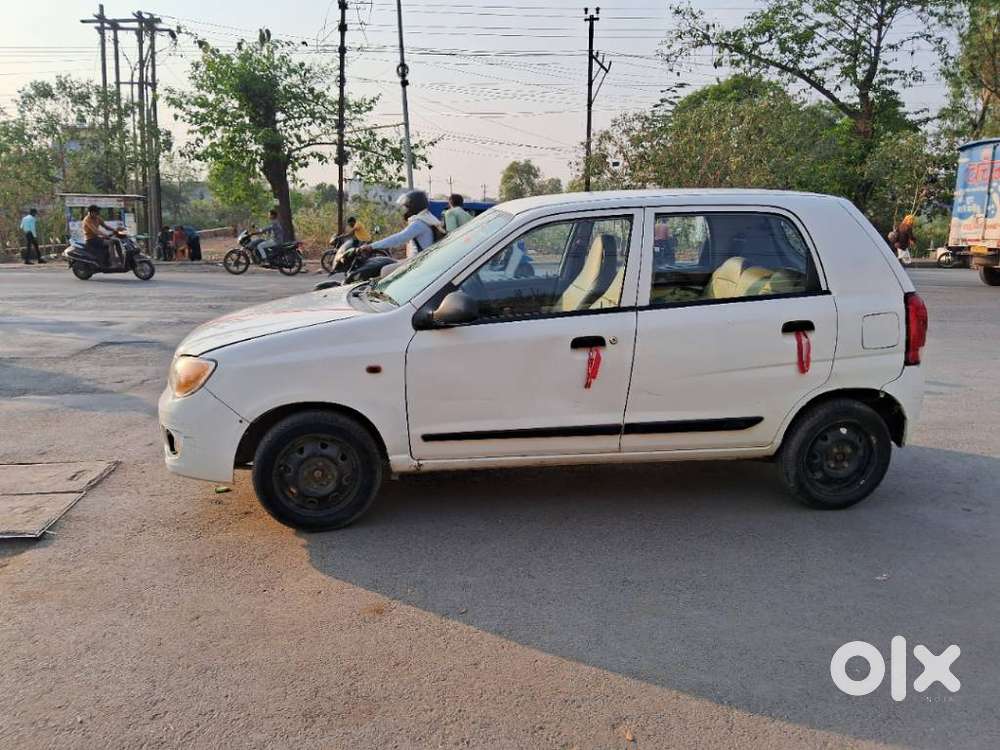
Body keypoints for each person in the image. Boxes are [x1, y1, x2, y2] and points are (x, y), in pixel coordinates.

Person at [359, 190, 443, 259]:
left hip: (420, 261)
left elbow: (399, 238)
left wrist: (372, 246)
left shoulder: (419, 223)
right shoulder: (428, 218)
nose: (406, 210)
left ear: (413, 207)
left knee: (385, 270)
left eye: (407, 207)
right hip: (422, 259)